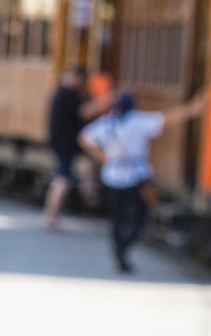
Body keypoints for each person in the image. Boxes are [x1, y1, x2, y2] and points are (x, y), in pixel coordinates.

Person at [79, 91, 203, 274]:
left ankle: (118, 251)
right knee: (139, 217)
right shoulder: (137, 121)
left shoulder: (106, 123)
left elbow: (84, 137)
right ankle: (125, 248)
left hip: (112, 176)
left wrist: (100, 155)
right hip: (135, 177)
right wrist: (193, 108)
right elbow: (167, 119)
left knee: (117, 219)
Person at [42, 66, 105, 230]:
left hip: (64, 142)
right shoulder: (68, 93)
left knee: (89, 158)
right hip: (66, 143)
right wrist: (107, 101)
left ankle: (87, 186)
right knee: (62, 180)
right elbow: (84, 112)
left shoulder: (61, 92)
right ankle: (50, 217)